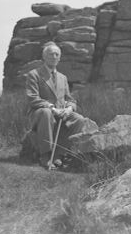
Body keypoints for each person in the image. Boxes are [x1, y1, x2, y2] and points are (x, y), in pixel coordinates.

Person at [25, 42, 86, 170]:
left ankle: (59, 154)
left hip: (61, 113)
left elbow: (70, 99)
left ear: (59, 58)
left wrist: (69, 108)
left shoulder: (63, 77)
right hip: (40, 113)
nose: (54, 56)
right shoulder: (34, 74)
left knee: (79, 120)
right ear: (44, 57)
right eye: (51, 54)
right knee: (46, 113)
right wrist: (52, 108)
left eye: (56, 54)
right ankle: (45, 156)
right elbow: (32, 98)